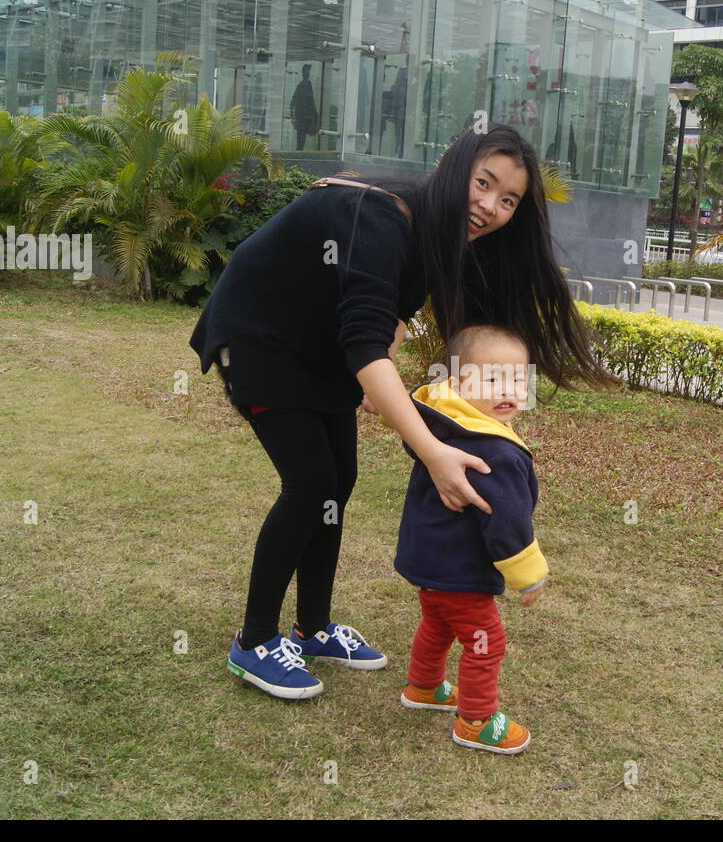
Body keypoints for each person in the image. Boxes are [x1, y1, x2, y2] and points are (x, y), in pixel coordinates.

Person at [188, 122, 612, 702]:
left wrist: (386, 361)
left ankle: (312, 629)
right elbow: (363, 340)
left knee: (340, 481)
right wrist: (433, 451)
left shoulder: (440, 237)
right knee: (310, 483)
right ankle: (253, 641)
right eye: (483, 183)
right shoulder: (383, 217)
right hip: (259, 336)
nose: (489, 205)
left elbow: (380, 320)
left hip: (319, 347)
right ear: (454, 168)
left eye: (508, 199)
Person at [394, 324, 545, 754]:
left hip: (426, 561)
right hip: (460, 570)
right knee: (485, 640)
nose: (509, 389)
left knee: (438, 624)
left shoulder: (441, 426)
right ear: (459, 383)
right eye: (493, 378)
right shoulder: (495, 451)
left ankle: (424, 687)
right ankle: (477, 721)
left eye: (518, 379)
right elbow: (507, 521)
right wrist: (527, 575)